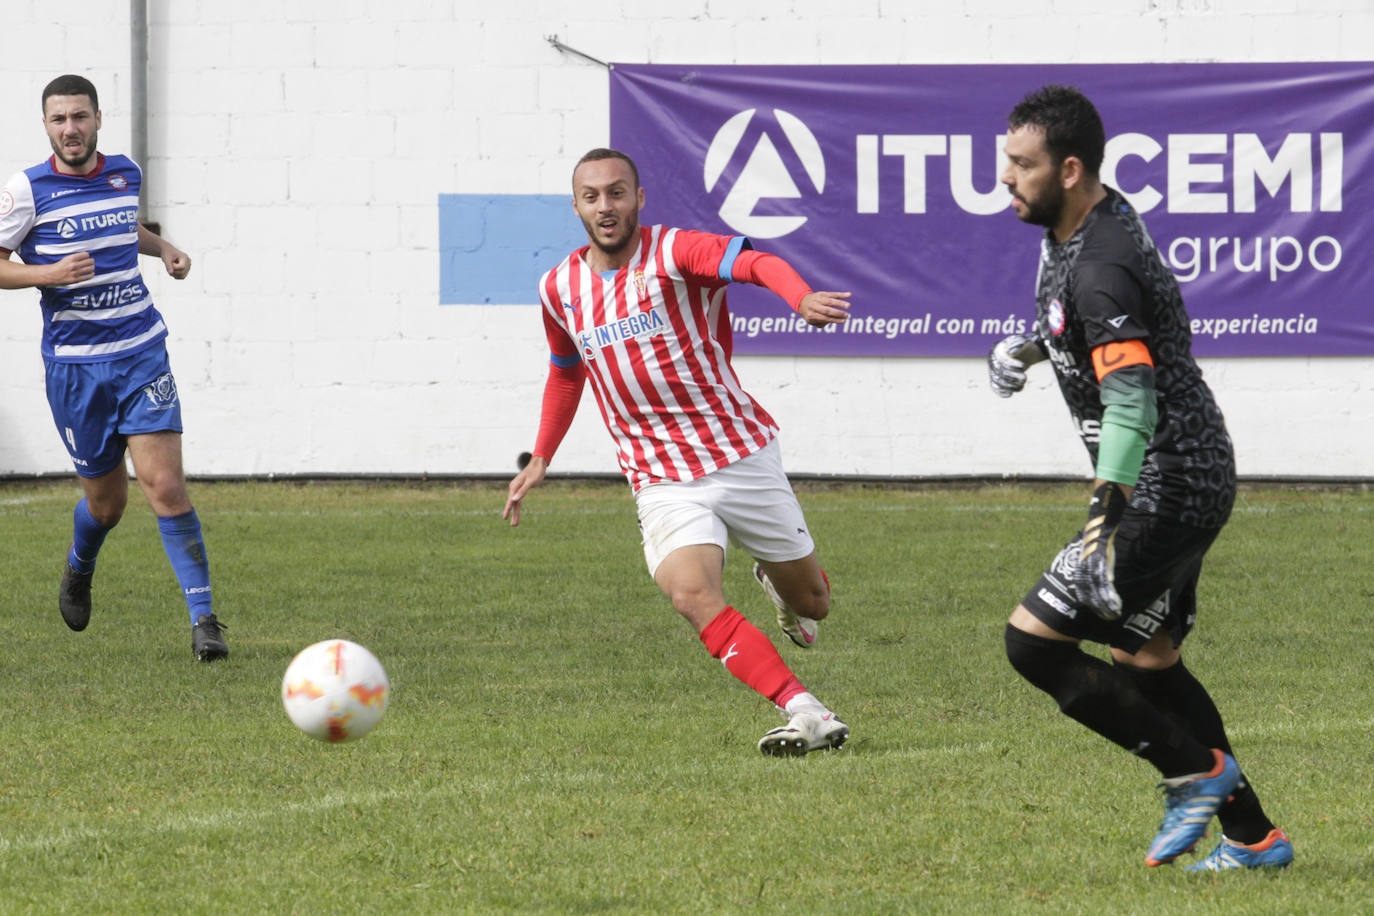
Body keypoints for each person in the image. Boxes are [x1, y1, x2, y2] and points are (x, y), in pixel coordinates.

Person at [988, 85, 1291, 871]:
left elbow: (1130, 401)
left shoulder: (1102, 264)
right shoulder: (1084, 224)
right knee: (1146, 658)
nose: (1005, 179)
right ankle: (1254, 838)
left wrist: (1103, 518)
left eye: (1021, 165)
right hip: (1192, 472)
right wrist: (1029, 350)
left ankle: (1192, 772)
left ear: (1071, 168)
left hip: (1170, 480)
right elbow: (1099, 325)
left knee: (1033, 644)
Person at [503, 148, 851, 756]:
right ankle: (806, 711)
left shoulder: (674, 252)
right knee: (690, 593)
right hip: (659, 474)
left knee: (814, 601)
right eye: (592, 197)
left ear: (639, 198)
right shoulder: (559, 287)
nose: (605, 207)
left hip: (738, 451)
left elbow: (756, 261)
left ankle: (779, 585)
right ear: (577, 207)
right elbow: (565, 372)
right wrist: (541, 455)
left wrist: (797, 298)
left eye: (617, 193)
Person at [0, 74, 226, 661]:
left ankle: (205, 622)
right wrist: (45, 275)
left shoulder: (125, 172)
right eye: (59, 120)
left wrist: (164, 246)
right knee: (108, 505)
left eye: (80, 117)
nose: (70, 129)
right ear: (46, 126)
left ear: (98, 118)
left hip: (142, 351)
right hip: (77, 371)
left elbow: (127, 228)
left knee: (167, 488)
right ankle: (80, 564)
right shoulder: (25, 191)